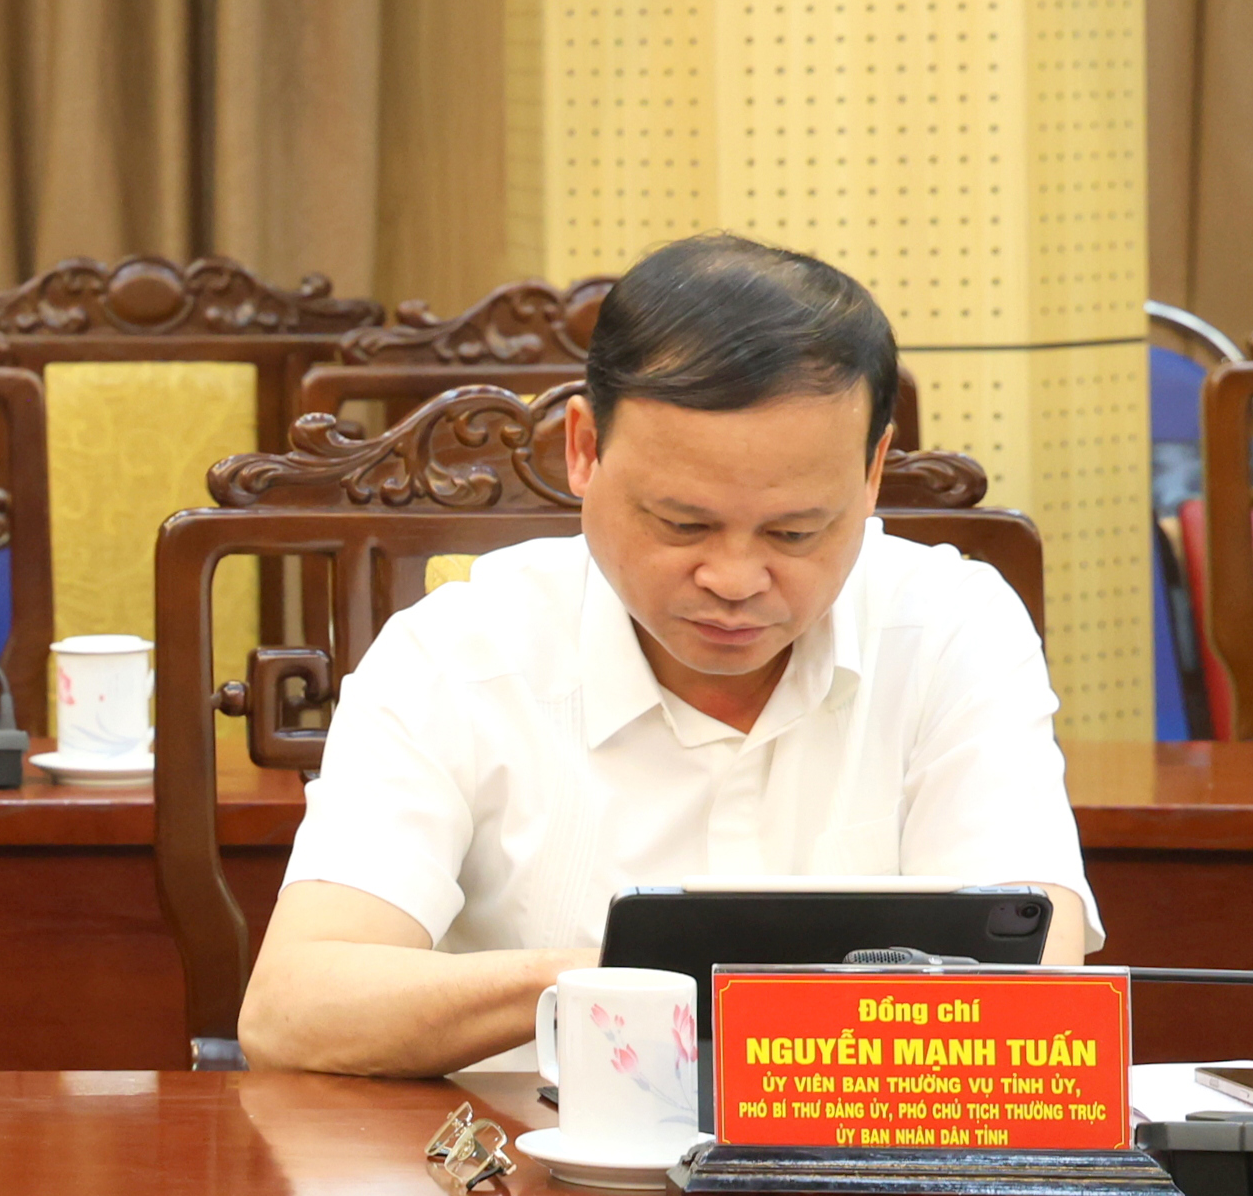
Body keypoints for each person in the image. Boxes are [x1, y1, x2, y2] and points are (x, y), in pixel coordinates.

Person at [238, 234, 1096, 1077]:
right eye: (683, 524)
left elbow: (1035, 997)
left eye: (795, 532)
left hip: (866, 1158)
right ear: (584, 448)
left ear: (873, 472)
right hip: (527, 1163)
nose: (734, 578)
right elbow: (291, 1010)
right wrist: (620, 979)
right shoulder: (456, 653)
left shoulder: (952, 630)